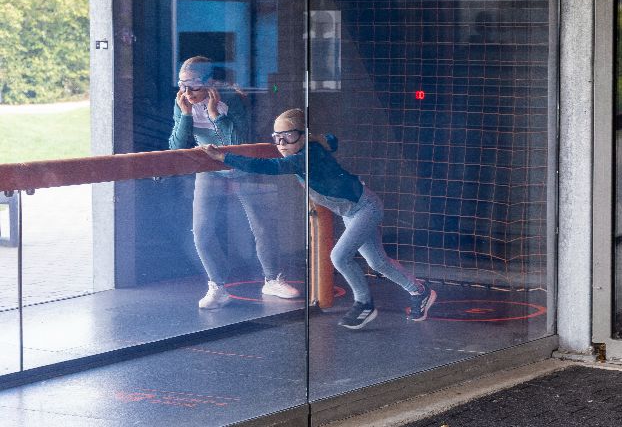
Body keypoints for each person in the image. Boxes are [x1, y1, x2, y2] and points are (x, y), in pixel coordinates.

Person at [201, 108, 437, 329]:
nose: (282, 144)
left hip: (365, 208)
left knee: (339, 256)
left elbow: (270, 167)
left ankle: (364, 304)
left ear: (303, 136)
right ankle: (419, 290)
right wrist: (325, 139)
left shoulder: (307, 155)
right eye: (277, 137)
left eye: (289, 136)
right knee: (378, 263)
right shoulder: (308, 148)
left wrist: (224, 157)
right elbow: (329, 140)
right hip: (353, 212)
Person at [169, 56, 300, 309]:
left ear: (210, 83)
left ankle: (272, 279)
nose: (187, 92)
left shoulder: (230, 98)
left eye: (194, 85)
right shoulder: (183, 103)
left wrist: (215, 115)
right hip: (209, 168)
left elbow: (237, 142)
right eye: (182, 85)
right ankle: (217, 286)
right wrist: (186, 115)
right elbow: (176, 146)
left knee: (261, 225)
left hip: (241, 165)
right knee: (201, 230)